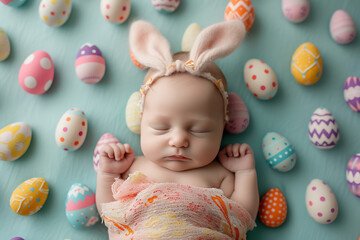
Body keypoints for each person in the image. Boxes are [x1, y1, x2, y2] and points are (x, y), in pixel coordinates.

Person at [96, 19, 259, 240]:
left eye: (199, 130)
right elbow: (109, 211)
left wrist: (245, 173)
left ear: (223, 126)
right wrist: (108, 174)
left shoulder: (219, 175)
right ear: (142, 121)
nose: (179, 140)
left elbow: (244, 215)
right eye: (161, 128)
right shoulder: (133, 167)